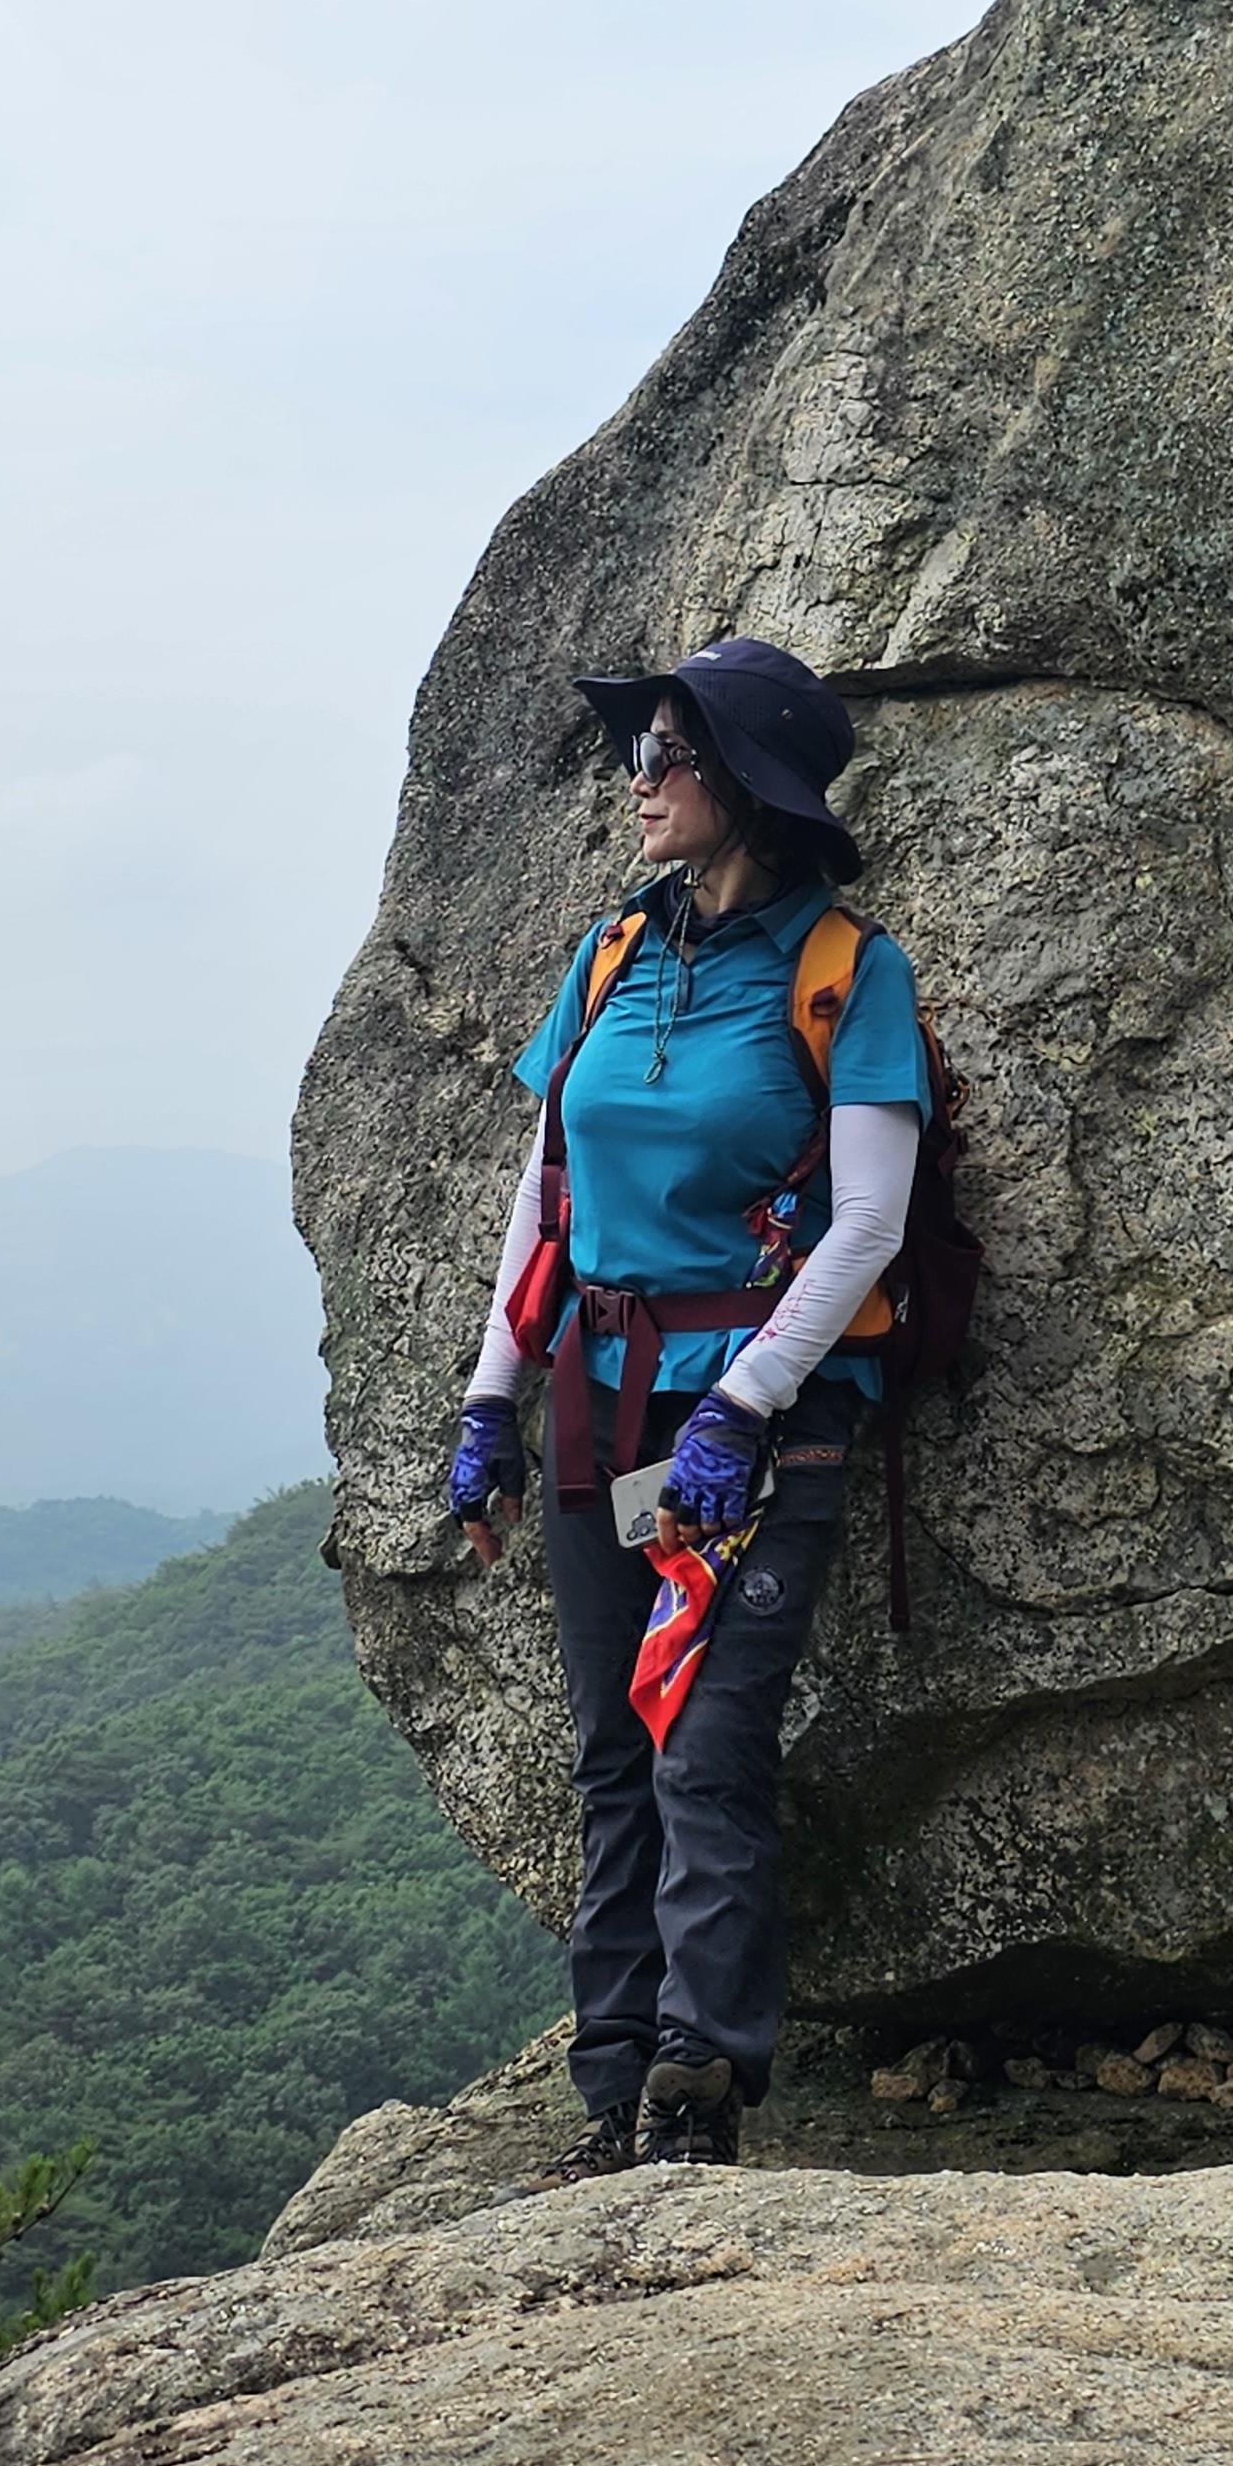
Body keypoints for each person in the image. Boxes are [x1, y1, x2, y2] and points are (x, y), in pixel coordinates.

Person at [442, 635, 928, 2175]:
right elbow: (546, 1194)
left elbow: (869, 1220)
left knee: (705, 1748)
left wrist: (744, 1406)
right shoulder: (610, 958)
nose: (636, 779)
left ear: (745, 782)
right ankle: (611, 2098)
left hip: (763, 1424)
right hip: (595, 1406)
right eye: (634, 751)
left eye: (664, 752)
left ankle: (696, 2093)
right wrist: (490, 1399)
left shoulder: (845, 971)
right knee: (611, 1753)